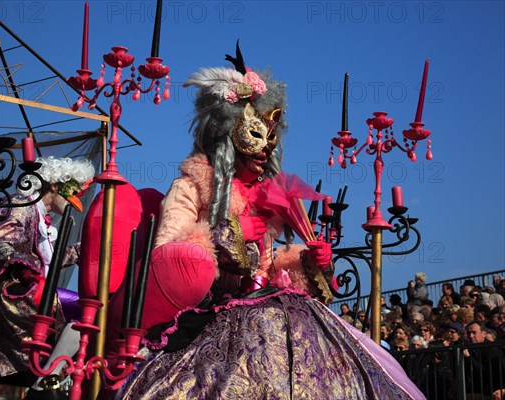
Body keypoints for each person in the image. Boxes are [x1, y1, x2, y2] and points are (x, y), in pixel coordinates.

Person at [105, 49, 425, 399]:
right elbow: (167, 253)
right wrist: (230, 236)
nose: (265, 149)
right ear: (227, 136)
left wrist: (307, 262)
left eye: (271, 138)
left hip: (257, 307)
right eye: (254, 135)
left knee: (300, 324)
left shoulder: (263, 199)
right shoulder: (192, 185)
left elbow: (267, 270)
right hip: (204, 317)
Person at [0, 157, 94, 395]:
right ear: (55, 186)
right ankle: (45, 380)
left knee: (85, 315)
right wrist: (25, 268)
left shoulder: (41, 216)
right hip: (14, 294)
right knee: (84, 312)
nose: (76, 199)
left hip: (34, 291)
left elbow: (48, 259)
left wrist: (86, 248)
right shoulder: (19, 204)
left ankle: (47, 374)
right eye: (73, 190)